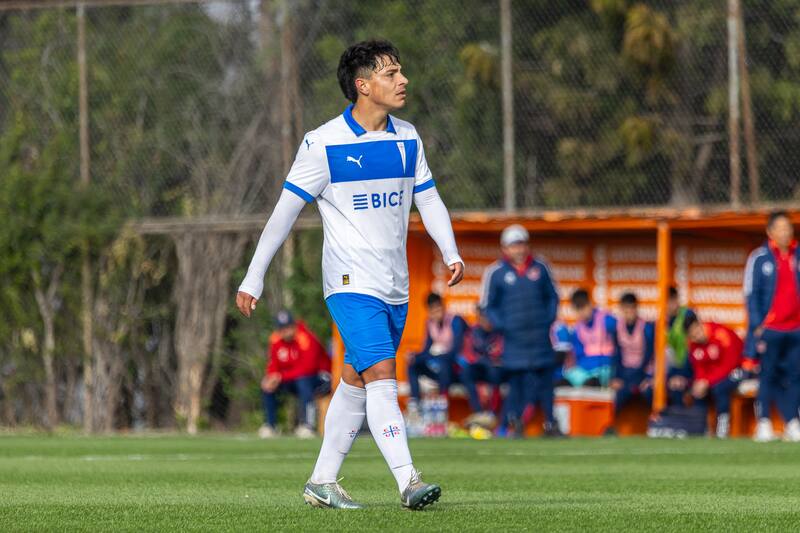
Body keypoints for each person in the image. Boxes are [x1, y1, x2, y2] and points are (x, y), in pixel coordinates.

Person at [236, 40, 463, 510]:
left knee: (357, 380)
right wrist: (253, 277)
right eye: (391, 73)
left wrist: (450, 250)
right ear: (363, 85)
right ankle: (408, 480)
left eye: (401, 72)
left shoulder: (408, 137)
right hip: (348, 283)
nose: (403, 80)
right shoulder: (323, 144)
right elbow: (283, 214)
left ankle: (322, 481)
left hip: (394, 286)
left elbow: (430, 199)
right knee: (382, 372)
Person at [480, 224, 561, 437]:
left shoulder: (541, 268)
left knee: (545, 381)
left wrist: (548, 319)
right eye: (514, 245)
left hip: (540, 336)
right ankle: (514, 423)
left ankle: (550, 424)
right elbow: (488, 305)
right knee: (516, 383)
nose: (519, 249)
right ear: (504, 248)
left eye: (522, 244)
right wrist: (502, 326)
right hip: (513, 339)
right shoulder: (495, 273)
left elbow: (552, 297)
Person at [744, 211, 800, 442]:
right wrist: (758, 325)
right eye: (780, 228)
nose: (786, 232)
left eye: (788, 227)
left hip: (796, 329)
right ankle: (764, 422)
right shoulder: (759, 258)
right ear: (770, 232)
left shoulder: (798, 255)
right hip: (771, 329)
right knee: (767, 376)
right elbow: (751, 293)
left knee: (795, 377)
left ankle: (791, 422)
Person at [260, 310, 331, 439]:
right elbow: (273, 364)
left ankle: (307, 425)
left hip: (321, 378)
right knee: (267, 384)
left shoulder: (305, 338)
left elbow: (307, 369)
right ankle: (270, 426)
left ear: (294, 326)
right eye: (282, 328)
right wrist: (272, 377)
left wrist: (280, 377)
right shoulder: (276, 339)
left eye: (288, 327)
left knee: (303, 381)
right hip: (294, 379)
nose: (285, 331)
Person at [406, 293, 468, 414]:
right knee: (413, 364)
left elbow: (456, 350)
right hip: (442, 368)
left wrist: (435, 357)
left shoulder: (455, 320)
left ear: (443, 306)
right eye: (432, 310)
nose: (436, 313)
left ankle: (442, 403)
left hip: (459, 370)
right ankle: (415, 403)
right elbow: (426, 350)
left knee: (443, 362)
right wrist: (415, 356)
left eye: (438, 308)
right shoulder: (429, 323)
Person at [684, 315, 745, 438]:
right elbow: (699, 367)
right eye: (693, 335)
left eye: (697, 331)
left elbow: (729, 364)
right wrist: (699, 382)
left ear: (700, 324)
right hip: (715, 377)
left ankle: (722, 427)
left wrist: (706, 381)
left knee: (720, 388)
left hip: (739, 370)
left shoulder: (720, 334)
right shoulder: (693, 344)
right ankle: (701, 427)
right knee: (697, 392)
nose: (697, 336)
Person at [458, 306, 504, 425]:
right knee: (466, 372)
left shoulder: (499, 332)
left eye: (487, 317)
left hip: (496, 371)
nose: (485, 320)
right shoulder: (473, 331)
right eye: (482, 317)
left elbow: (500, 355)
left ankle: (492, 414)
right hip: (480, 368)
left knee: (495, 372)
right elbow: (467, 355)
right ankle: (478, 412)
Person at [562, 289, 617, 388]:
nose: (581, 312)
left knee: (597, 378)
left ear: (590, 304)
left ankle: (592, 383)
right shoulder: (577, 329)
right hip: (586, 369)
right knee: (569, 376)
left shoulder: (606, 319)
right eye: (578, 309)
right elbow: (578, 354)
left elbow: (620, 345)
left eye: (583, 307)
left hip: (606, 366)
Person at [610, 293, 654, 415]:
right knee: (617, 393)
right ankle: (608, 427)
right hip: (625, 373)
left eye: (631, 308)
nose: (629, 312)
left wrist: (643, 377)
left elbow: (648, 355)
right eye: (625, 309)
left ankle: (656, 424)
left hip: (643, 374)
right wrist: (616, 377)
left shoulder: (646, 328)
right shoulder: (617, 328)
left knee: (649, 392)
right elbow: (617, 355)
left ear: (636, 308)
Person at [665, 286, 695, 407]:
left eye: (670, 301)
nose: (667, 305)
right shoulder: (663, 319)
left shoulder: (687, 314)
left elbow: (693, 347)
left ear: (676, 299)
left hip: (689, 368)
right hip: (671, 369)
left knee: (678, 386)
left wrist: (682, 374)